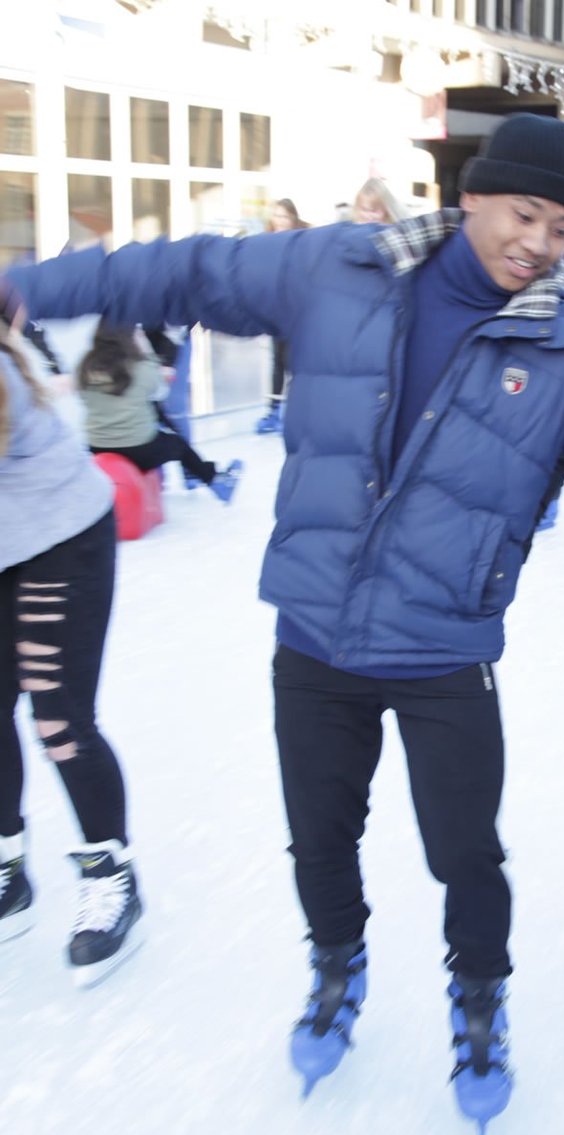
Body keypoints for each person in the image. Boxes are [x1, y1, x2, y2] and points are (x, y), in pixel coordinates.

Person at [2, 113, 564, 1135]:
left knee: (465, 855)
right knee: (319, 841)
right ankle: (336, 971)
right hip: (316, 637)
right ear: (470, 197)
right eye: (523, 214)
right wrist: (27, 289)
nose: (539, 243)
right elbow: (185, 272)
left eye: (561, 229)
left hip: (443, 651)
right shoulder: (339, 267)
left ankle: (479, 1008)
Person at [0, 321, 143, 986]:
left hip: (61, 537)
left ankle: (112, 875)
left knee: (58, 719)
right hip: (7, 543)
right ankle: (8, 868)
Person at [77, 321, 243, 504]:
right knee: (178, 445)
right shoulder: (140, 367)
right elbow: (160, 393)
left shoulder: (84, 367)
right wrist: (148, 353)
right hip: (138, 448)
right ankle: (215, 481)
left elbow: (83, 397)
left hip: (97, 447)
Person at [255, 199, 308, 436]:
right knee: (277, 361)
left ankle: (293, 411)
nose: (280, 221)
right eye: (276, 216)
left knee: (292, 361)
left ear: (293, 218)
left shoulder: (300, 242)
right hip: (275, 309)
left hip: (295, 310)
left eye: (284, 216)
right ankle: (273, 409)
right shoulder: (268, 242)